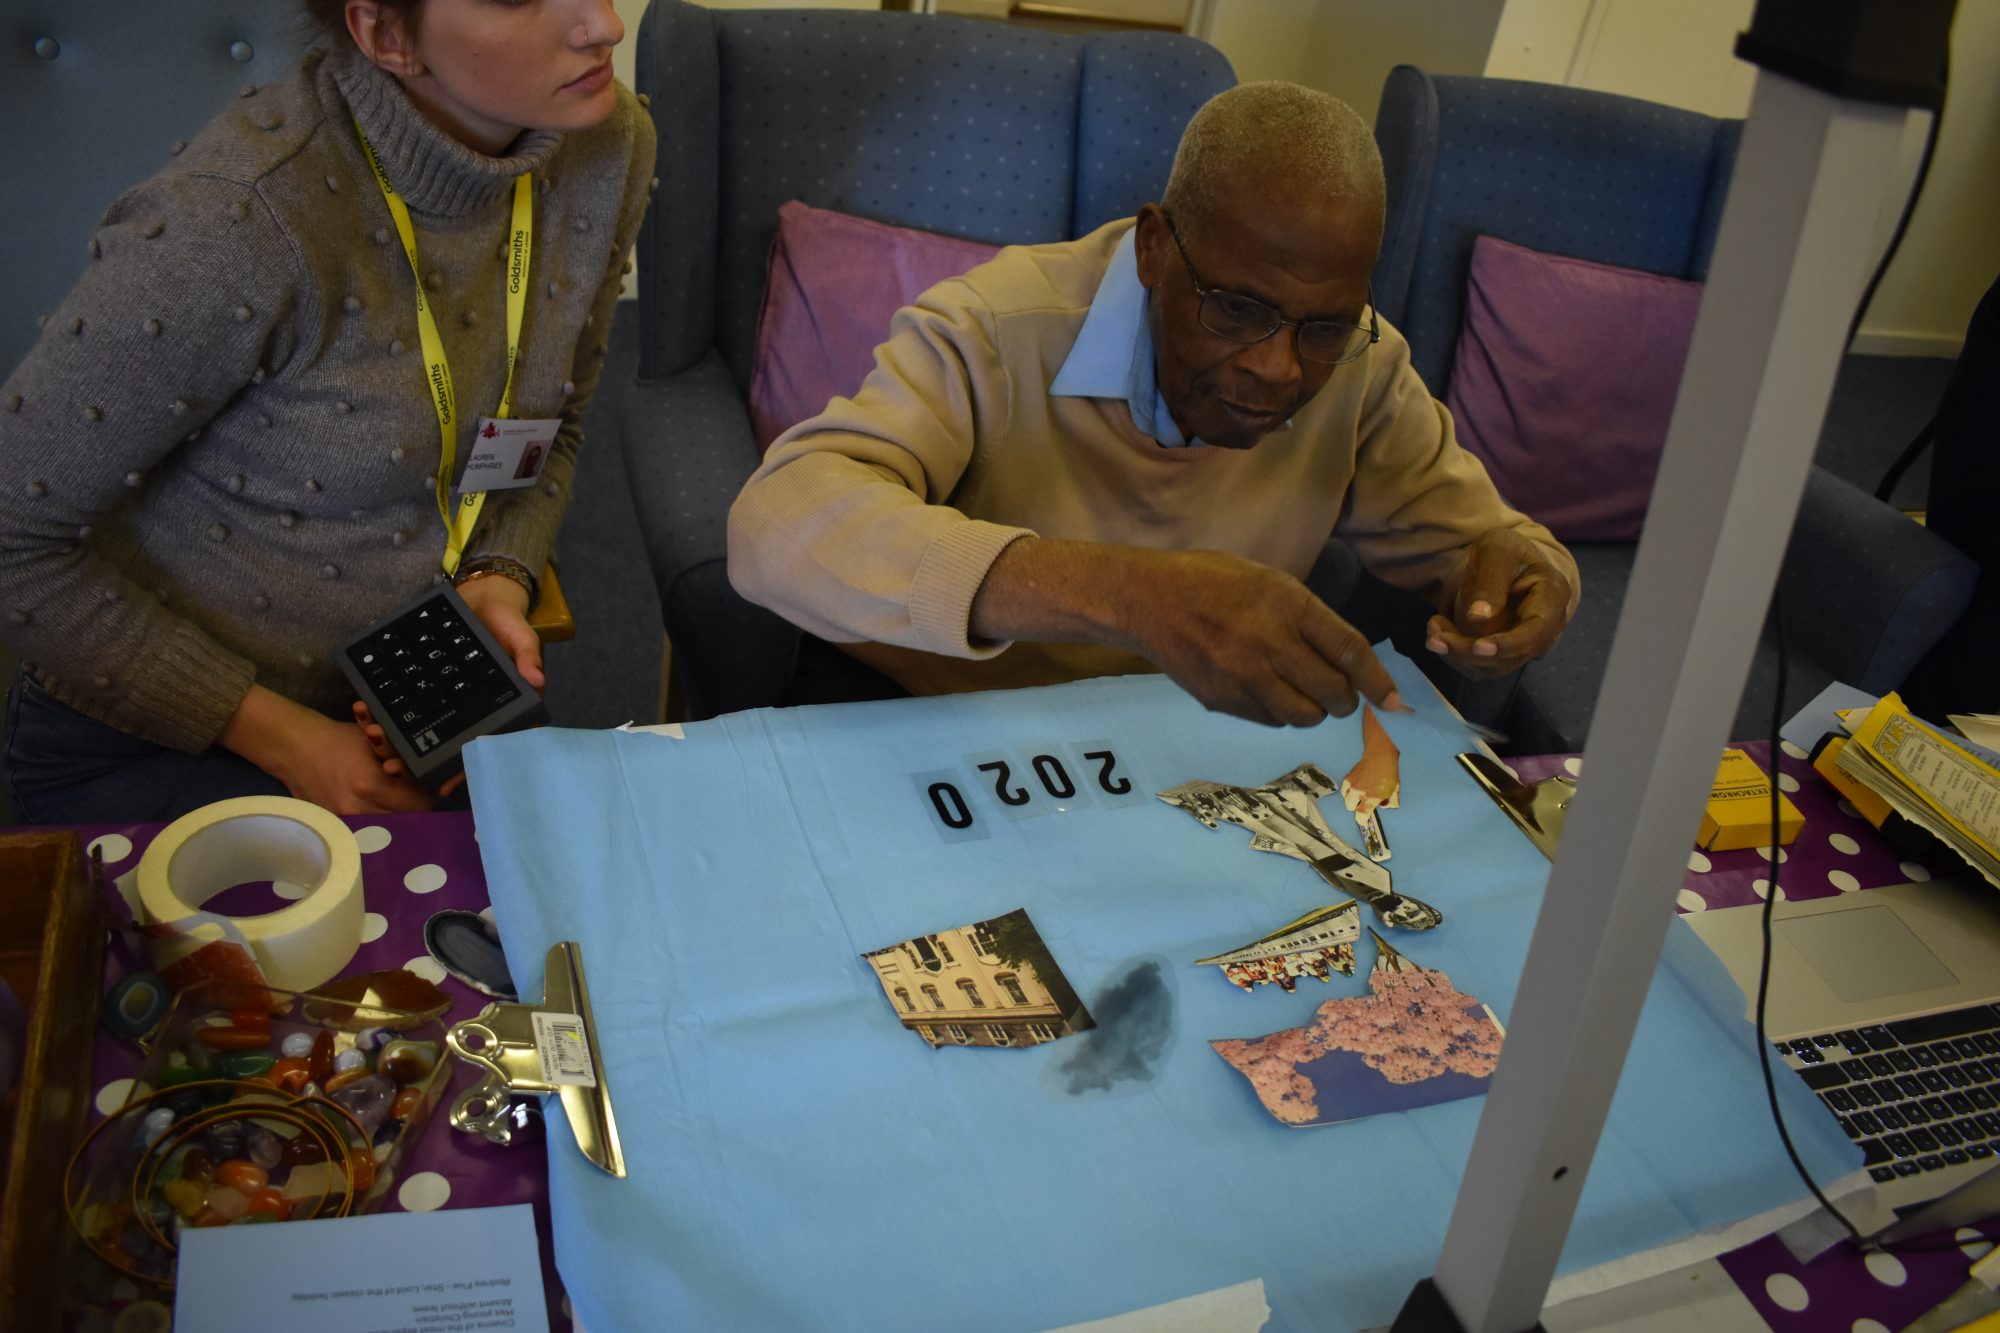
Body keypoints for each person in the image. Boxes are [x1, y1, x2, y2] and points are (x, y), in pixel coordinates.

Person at [728, 82, 1577, 728]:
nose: (1280, 368)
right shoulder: (995, 327)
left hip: (1170, 749)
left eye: (1322, 325)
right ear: (1152, 248)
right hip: (937, 722)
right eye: (1237, 309)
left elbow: (1498, 547)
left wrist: (1525, 583)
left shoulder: (1363, 363)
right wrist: (1134, 595)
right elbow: (773, 526)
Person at [0, 0, 655, 821]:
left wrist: (498, 573)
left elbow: (553, 423)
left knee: (569, 905)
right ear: (386, 35)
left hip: (408, 676)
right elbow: (11, 539)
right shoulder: (239, 217)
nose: (602, 23)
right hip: (159, 720)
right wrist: (291, 743)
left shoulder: (603, 140)